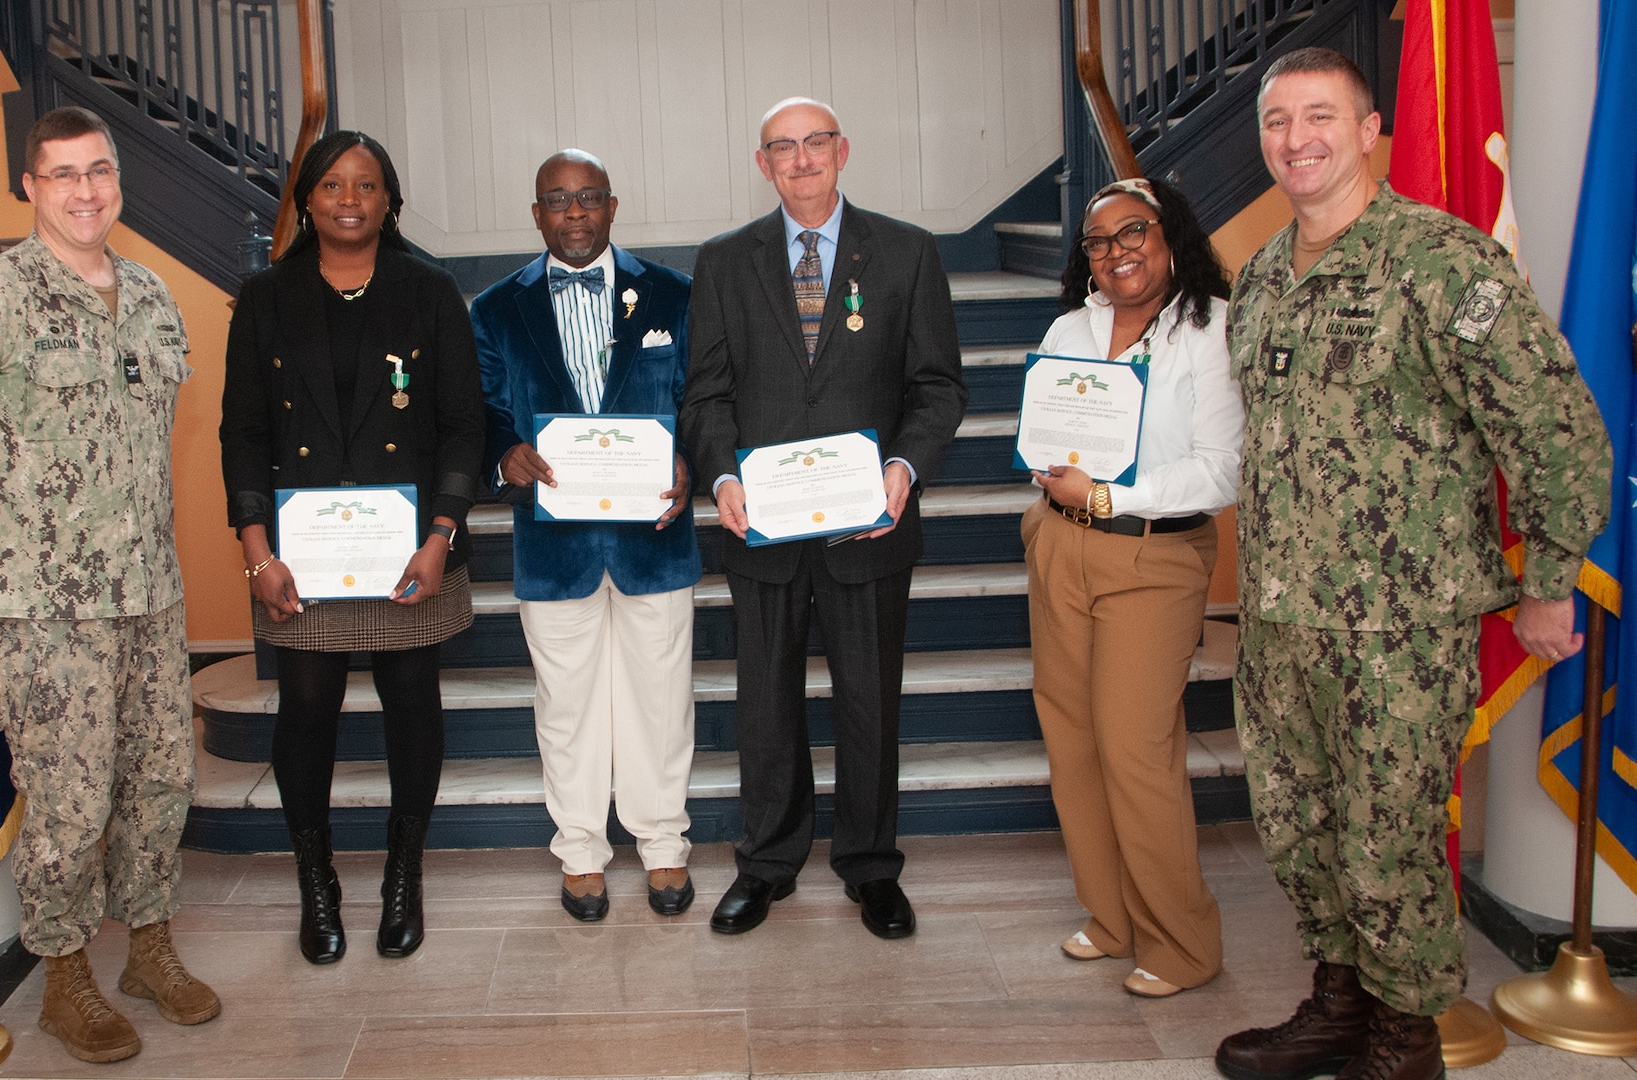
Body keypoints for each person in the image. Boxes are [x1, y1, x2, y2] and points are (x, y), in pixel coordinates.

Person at [1217, 48, 1611, 1080]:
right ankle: (1338, 1004)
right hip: (1279, 620)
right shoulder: (1261, 275)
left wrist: (1548, 577)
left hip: (1398, 625)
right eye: (1275, 122)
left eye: (1319, 117)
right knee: (1299, 833)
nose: (1295, 139)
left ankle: (1404, 1038)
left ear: (1369, 130)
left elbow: (1553, 426)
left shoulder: (1442, 263)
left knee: (1386, 841)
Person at [0, 106, 219, 1064]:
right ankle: (65, 975)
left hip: (148, 589)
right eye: (62, 174)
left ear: (119, 178)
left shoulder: (150, 294)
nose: (85, 191)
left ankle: (149, 947)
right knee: (69, 798)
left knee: (160, 779)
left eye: (99, 171)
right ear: (29, 186)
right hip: (38, 608)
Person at [681, 97, 967, 939]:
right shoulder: (724, 261)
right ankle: (766, 864)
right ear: (761, 162)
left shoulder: (908, 253)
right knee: (765, 707)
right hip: (760, 527)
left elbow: (939, 386)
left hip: (866, 526)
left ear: (842, 150)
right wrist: (721, 474)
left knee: (869, 703)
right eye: (782, 147)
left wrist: (903, 468)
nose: (801, 160)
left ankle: (871, 866)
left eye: (814, 143)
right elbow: (706, 392)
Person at [218, 131, 483, 967]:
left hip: (410, 551)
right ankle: (317, 879)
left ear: (388, 199)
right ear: (306, 200)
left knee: (413, 707)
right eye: (331, 184)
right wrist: (259, 556)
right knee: (305, 713)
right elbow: (243, 433)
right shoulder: (263, 296)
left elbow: (462, 427)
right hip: (301, 559)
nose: (347, 199)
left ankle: (403, 874)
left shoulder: (430, 290)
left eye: (365, 185)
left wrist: (440, 534)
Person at [1022, 176, 1241, 999]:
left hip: (1152, 555)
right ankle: (1112, 917)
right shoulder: (1067, 329)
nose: (1117, 252)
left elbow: (1219, 468)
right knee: (1072, 739)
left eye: (1133, 233)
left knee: (1134, 748)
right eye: (1099, 241)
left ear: (1169, 236)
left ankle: (1183, 943)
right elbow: (1044, 439)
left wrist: (1113, 497)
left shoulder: (1211, 331)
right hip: (1061, 543)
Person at [471, 150, 702, 922]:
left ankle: (664, 845)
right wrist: (501, 454)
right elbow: (480, 418)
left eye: (588, 198)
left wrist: (690, 459)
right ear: (535, 213)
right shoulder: (496, 309)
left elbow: (704, 401)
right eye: (557, 201)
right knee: (565, 705)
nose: (574, 213)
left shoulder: (672, 294)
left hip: (653, 536)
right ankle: (579, 852)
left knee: (660, 702)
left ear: (612, 205)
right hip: (553, 542)